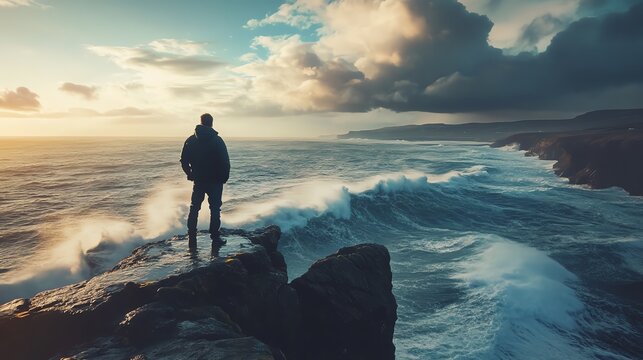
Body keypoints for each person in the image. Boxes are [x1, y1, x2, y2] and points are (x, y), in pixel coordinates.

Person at [180, 113, 230, 249]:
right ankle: (215, 237)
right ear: (211, 123)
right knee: (214, 209)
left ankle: (191, 236)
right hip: (215, 181)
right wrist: (224, 178)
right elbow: (225, 162)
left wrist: (190, 174)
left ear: (201, 122)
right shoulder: (217, 140)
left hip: (199, 181)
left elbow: (184, 161)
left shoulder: (190, 140)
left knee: (194, 208)